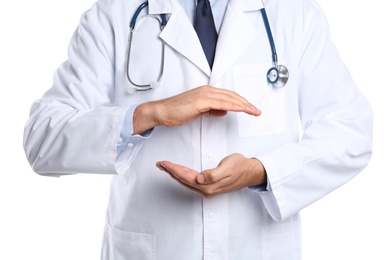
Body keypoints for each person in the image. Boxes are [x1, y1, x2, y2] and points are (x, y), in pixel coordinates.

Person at [23, 0, 373, 259]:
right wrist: (150, 113)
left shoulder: (294, 15)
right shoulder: (114, 15)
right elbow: (42, 139)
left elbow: (351, 132)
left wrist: (260, 172)